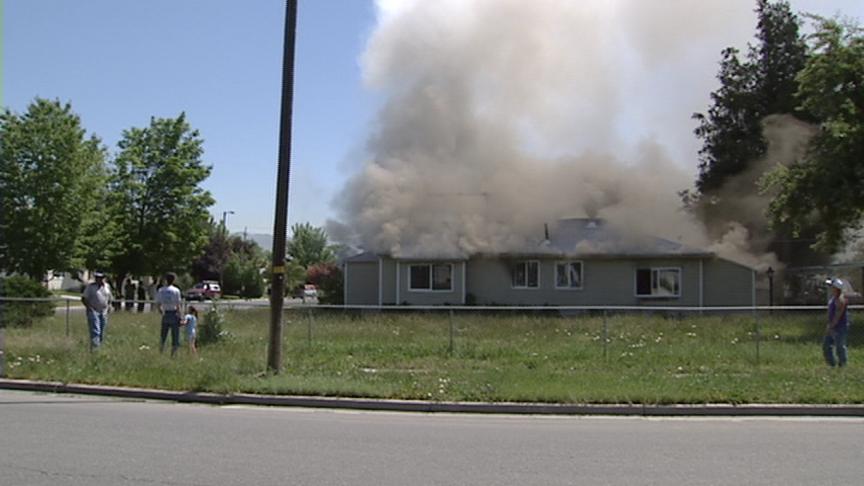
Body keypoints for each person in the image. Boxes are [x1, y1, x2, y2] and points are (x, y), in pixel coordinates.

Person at [81, 271, 112, 351]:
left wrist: (109, 306)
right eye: (97, 278)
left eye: (101, 278)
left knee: (102, 330)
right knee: (96, 330)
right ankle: (95, 349)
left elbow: (109, 298)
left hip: (104, 311)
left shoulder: (107, 286)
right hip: (93, 311)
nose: (99, 279)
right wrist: (89, 308)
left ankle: (99, 347)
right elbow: (84, 298)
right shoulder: (90, 287)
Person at [823, 278, 850, 367]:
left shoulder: (840, 300)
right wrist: (829, 324)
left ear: (836, 288)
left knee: (840, 346)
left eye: (832, 286)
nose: (830, 288)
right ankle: (832, 364)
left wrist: (831, 326)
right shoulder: (833, 299)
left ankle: (843, 364)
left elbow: (838, 315)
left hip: (840, 326)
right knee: (826, 346)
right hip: (832, 325)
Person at [156, 272, 183, 357]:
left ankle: (161, 351)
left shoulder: (161, 290)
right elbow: (178, 304)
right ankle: (173, 354)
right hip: (173, 313)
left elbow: (158, 304)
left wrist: (161, 311)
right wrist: (180, 315)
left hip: (166, 313)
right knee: (175, 335)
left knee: (163, 334)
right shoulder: (176, 290)